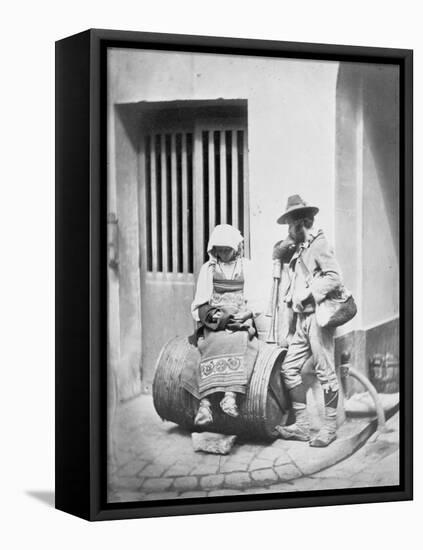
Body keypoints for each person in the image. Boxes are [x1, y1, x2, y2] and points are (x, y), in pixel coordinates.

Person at [272, 195, 342, 447]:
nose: (289, 229)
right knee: (289, 367)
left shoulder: (319, 244)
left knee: (325, 372)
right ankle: (302, 426)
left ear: (302, 222)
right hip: (302, 320)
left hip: (318, 318)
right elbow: (277, 251)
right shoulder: (300, 246)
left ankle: (330, 428)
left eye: (292, 224)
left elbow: (335, 277)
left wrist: (310, 292)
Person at [189, 224, 260, 426]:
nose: (223, 254)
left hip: (240, 319)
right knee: (207, 345)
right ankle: (205, 406)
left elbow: (255, 301)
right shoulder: (208, 269)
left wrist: (246, 314)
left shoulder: (247, 266)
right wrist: (216, 318)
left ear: (236, 248)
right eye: (219, 250)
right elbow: (199, 304)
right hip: (216, 321)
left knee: (240, 340)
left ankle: (229, 397)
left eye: (227, 249)